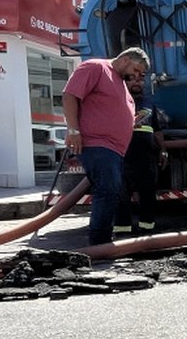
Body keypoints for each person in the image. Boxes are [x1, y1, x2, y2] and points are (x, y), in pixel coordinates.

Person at [63, 47, 151, 245]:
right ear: (126, 59)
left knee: (111, 191)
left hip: (113, 150)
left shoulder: (119, 82)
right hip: (98, 144)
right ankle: (99, 243)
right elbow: (70, 95)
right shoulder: (96, 68)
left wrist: (129, 121)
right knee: (108, 190)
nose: (137, 76)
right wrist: (74, 130)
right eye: (137, 69)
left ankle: (102, 241)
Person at [114, 72, 167, 236]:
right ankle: (122, 232)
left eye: (140, 79)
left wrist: (163, 150)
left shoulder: (149, 103)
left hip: (147, 157)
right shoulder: (116, 101)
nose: (137, 82)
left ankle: (147, 229)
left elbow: (156, 130)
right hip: (123, 157)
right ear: (125, 81)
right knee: (121, 195)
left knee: (148, 195)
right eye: (132, 79)